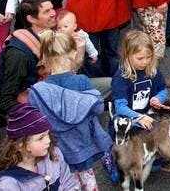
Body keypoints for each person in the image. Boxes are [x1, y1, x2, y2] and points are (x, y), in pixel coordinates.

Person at [28, 31, 112, 188]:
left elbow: (36, 120)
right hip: (83, 144)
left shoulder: (38, 91)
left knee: (66, 182)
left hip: (57, 148)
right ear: (74, 53)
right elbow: (97, 109)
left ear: (44, 58)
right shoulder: (82, 81)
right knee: (88, 180)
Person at [0, 0, 57, 118]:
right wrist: (33, 119)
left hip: (51, 92)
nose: (53, 13)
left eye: (52, 9)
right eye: (46, 11)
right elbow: (7, 100)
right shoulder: (18, 53)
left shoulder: (52, 36)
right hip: (34, 105)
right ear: (31, 19)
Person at [0, 103, 79, 190]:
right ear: (19, 145)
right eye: (40, 138)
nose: (48, 140)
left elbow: (69, 182)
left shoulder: (54, 154)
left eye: (48, 134)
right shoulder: (9, 185)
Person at [111, 30, 168, 131]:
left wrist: (158, 98)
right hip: (128, 117)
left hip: (148, 113)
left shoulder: (153, 70)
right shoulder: (121, 77)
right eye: (140, 58)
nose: (145, 62)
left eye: (149, 57)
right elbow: (120, 107)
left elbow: (163, 89)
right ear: (127, 55)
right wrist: (139, 117)